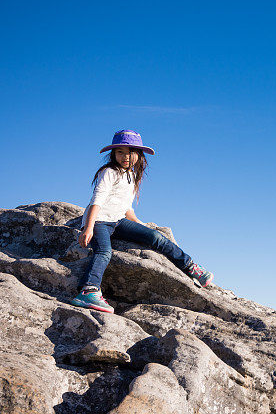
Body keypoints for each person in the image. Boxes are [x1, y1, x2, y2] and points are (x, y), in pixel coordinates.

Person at [72, 129, 213, 314]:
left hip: (118, 221)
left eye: (130, 152)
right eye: (120, 152)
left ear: (139, 155)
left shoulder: (132, 176)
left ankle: (190, 267)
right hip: (99, 221)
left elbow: (126, 207)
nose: (125, 156)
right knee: (105, 252)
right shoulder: (109, 172)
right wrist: (88, 228)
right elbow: (96, 200)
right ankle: (88, 291)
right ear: (113, 154)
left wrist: (140, 225)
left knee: (155, 237)